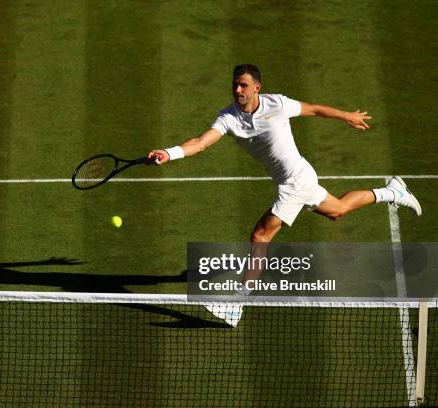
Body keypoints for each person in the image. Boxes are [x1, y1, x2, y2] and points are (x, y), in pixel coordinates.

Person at [148, 64, 422, 327]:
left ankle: (237, 303)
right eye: (235, 85)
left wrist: (346, 115)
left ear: (257, 87)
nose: (238, 90)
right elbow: (200, 142)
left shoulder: (276, 104)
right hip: (294, 179)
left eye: (244, 85)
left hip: (297, 181)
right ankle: (392, 192)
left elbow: (314, 109)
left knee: (260, 235)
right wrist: (169, 153)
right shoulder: (228, 117)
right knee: (337, 210)